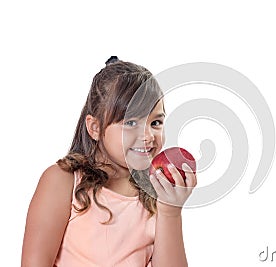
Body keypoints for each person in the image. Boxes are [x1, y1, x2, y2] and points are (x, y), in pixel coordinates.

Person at [21, 56, 197, 267]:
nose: (148, 135)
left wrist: (170, 210)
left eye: (156, 122)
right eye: (131, 122)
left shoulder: (156, 194)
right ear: (95, 128)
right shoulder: (63, 181)